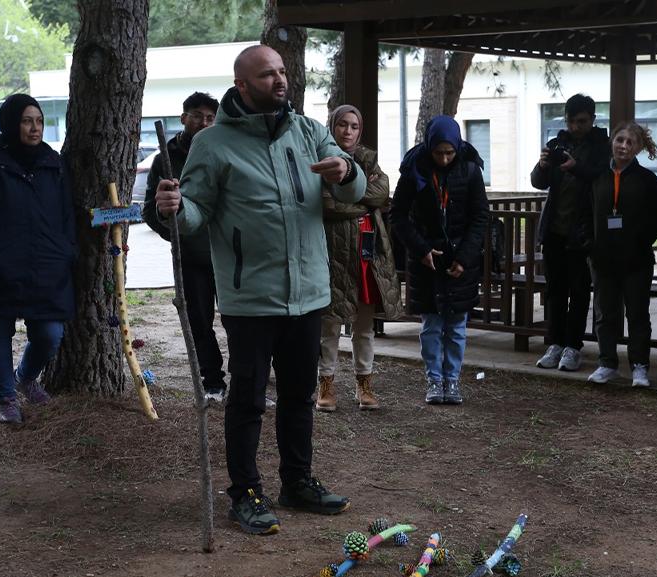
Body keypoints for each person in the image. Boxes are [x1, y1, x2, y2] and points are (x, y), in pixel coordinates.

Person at [154, 45, 364, 535]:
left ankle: (297, 481)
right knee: (247, 399)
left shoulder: (309, 131)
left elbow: (352, 186)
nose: (280, 80)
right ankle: (245, 492)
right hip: (251, 298)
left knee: (298, 393)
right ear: (242, 85)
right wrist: (174, 207)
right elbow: (193, 217)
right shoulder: (214, 144)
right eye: (268, 75)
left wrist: (345, 171)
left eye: (283, 72)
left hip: (308, 293)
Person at [0, 94, 76, 424]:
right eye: (26, 121)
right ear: (11, 123)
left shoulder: (53, 162)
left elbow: (67, 215)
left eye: (38, 121)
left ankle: (25, 377)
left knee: (50, 334)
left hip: (45, 268)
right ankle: (6, 397)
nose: (34, 128)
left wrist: (65, 251)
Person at [390, 115, 490, 405]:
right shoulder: (413, 169)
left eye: (450, 153)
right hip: (426, 261)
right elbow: (398, 215)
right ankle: (434, 378)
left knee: (457, 326)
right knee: (431, 325)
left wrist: (465, 257)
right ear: (429, 146)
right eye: (438, 153)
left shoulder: (471, 170)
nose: (444, 159)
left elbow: (480, 216)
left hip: (460, 259)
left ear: (458, 146)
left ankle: (453, 378)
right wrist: (420, 249)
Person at [316, 104, 402, 412]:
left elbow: (381, 193)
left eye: (354, 126)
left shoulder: (368, 158)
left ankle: (364, 384)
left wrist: (353, 195)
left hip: (367, 253)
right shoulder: (322, 157)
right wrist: (363, 202)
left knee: (364, 326)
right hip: (333, 253)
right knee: (329, 326)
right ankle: (325, 384)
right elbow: (328, 204)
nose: (348, 131)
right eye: (342, 125)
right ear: (333, 126)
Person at [143, 92, 227, 403]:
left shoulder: (224, 151)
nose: (204, 123)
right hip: (192, 258)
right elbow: (151, 211)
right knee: (200, 323)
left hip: (229, 254)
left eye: (210, 117)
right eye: (197, 116)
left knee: (241, 322)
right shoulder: (166, 159)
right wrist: (177, 236)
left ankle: (250, 381)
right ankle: (213, 382)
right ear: (183, 118)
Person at [531, 94, 610, 372]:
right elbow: (538, 183)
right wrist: (542, 165)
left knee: (578, 291)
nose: (576, 126)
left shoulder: (603, 146)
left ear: (592, 120)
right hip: (554, 230)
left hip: (583, 231)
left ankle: (572, 346)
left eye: (582, 121)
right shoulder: (557, 144)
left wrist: (576, 168)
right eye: (572, 121)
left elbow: (602, 178)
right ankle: (554, 342)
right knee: (554, 290)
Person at [586, 122, 657, 388]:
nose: (623, 146)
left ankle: (640, 366)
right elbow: (586, 213)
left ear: (638, 148)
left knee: (637, 315)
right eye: (620, 140)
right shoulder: (598, 177)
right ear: (612, 142)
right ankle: (607, 363)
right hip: (603, 259)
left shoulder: (647, 181)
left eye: (630, 142)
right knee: (605, 314)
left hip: (636, 260)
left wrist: (641, 241)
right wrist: (591, 244)